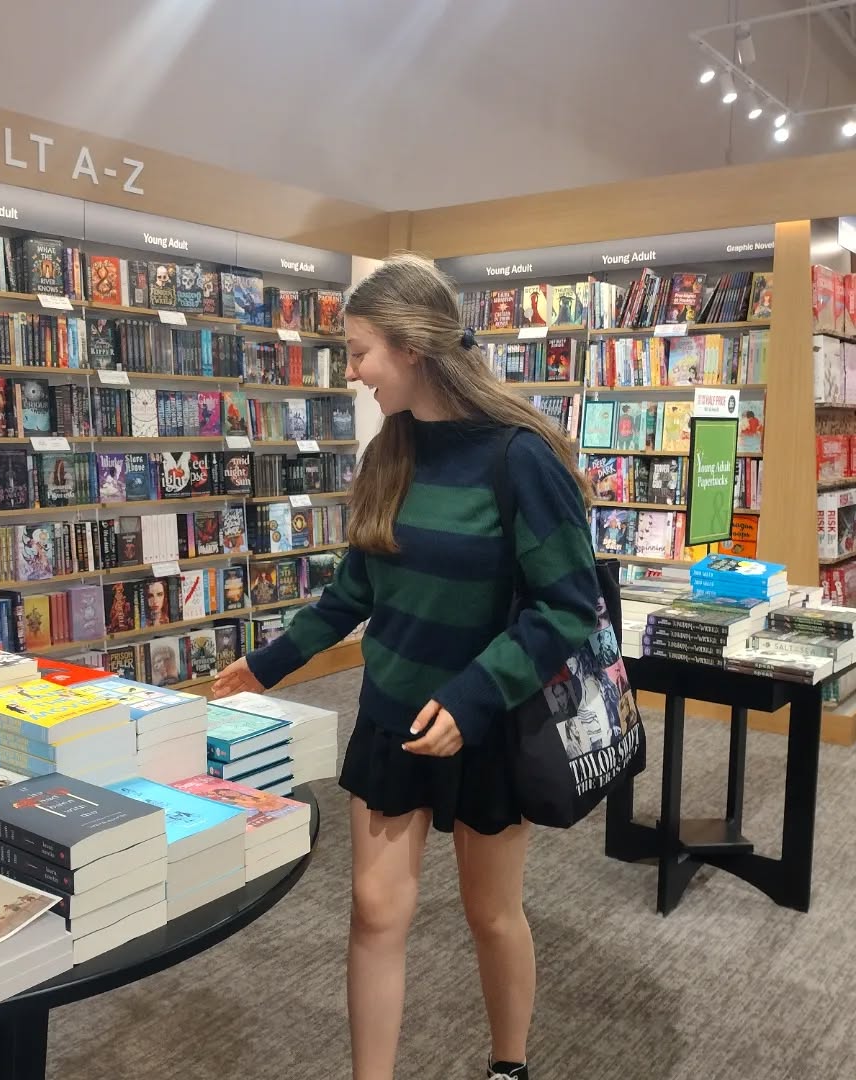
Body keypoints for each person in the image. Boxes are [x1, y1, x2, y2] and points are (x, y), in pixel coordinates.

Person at [213, 253, 599, 1080]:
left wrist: (475, 696)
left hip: (485, 726)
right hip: (392, 714)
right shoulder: (389, 453)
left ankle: (508, 1067)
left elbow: (567, 605)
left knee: (492, 914)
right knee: (374, 912)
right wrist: (266, 666)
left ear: (413, 349)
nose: (351, 373)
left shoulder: (520, 458)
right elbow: (353, 592)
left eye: (360, 353)